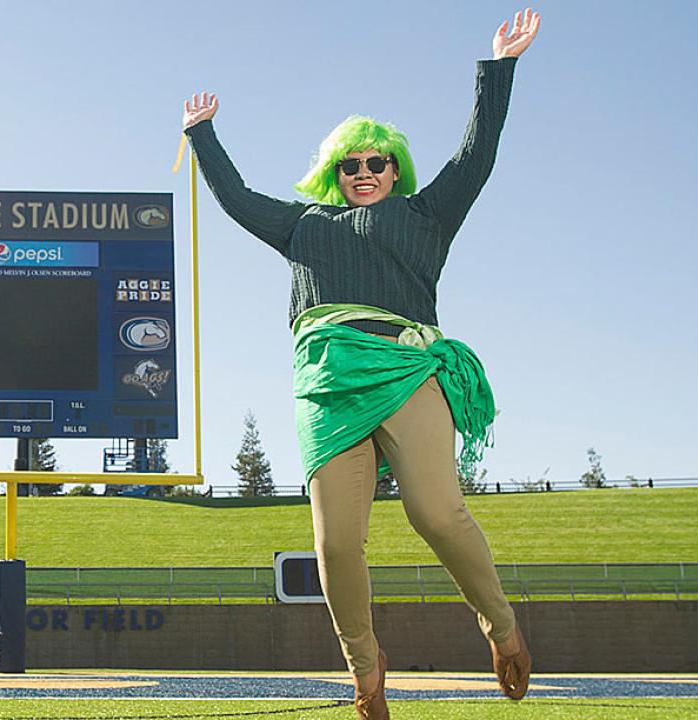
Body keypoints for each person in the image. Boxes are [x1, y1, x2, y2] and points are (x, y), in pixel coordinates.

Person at [182, 9, 540, 719]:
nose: (365, 173)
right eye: (351, 164)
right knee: (337, 542)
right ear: (334, 172)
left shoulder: (426, 215)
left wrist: (498, 70)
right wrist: (202, 135)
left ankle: (501, 628)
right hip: (327, 382)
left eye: (377, 162)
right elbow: (237, 199)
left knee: (436, 511)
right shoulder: (304, 227)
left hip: (405, 370)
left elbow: (476, 155)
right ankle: (367, 673)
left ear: (395, 167)